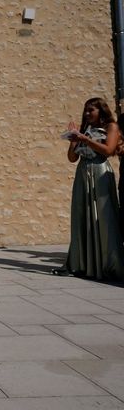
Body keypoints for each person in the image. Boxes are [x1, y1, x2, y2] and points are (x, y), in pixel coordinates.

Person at [55, 97, 124, 280]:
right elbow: (72, 158)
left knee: (104, 217)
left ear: (100, 111)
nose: (87, 113)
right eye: (85, 110)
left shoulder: (112, 127)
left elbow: (108, 150)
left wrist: (85, 139)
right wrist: (73, 139)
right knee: (81, 215)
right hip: (83, 174)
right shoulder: (85, 130)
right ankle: (82, 263)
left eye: (90, 110)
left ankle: (109, 264)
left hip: (100, 172)